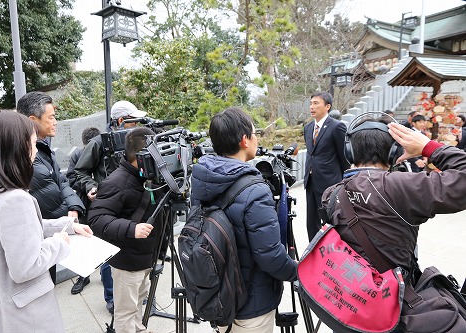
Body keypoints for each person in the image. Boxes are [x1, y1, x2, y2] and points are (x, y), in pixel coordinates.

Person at [321, 117, 466, 331]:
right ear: (394, 152)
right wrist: (427, 147)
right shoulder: (402, 187)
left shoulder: (331, 194)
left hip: (352, 306)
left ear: (349, 152)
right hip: (395, 308)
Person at [0, 110, 92, 333]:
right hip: (26, 317)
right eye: (32, 144)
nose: (35, 151)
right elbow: (26, 267)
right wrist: (60, 242)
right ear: (14, 149)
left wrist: (67, 226)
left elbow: (15, 233)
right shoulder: (15, 200)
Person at [190, 107, 298, 332]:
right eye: (254, 133)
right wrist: (298, 272)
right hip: (251, 303)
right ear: (244, 140)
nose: (257, 138)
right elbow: (270, 255)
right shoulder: (256, 190)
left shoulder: (202, 178)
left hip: (221, 292)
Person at [87, 127, 164, 333]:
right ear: (141, 157)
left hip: (144, 257)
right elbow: (96, 220)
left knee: (138, 304)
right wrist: (132, 228)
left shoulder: (148, 177)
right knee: (126, 312)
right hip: (127, 261)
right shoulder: (116, 182)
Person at [74, 100, 147, 313]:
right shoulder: (98, 142)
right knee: (108, 254)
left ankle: (134, 300)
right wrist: (91, 186)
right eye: (134, 121)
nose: (138, 124)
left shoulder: (137, 140)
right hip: (108, 205)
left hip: (133, 205)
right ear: (122, 121)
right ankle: (111, 298)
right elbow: (80, 171)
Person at [17, 91, 85, 283]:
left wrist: (73, 207)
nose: (55, 122)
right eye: (52, 117)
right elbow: (45, 197)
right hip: (42, 239)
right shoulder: (24, 154)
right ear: (33, 120)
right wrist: (67, 223)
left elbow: (61, 180)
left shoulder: (44, 148)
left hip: (54, 230)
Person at [303, 92, 350, 241]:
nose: (312, 107)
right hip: (310, 181)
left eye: (316, 103)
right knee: (311, 223)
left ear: (327, 106)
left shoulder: (337, 127)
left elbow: (344, 158)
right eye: (311, 103)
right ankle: (313, 254)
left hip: (330, 184)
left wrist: (343, 182)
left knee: (331, 222)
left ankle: (332, 255)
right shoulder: (308, 128)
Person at [66, 127, 101, 295]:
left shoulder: (105, 151)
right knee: (85, 239)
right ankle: (83, 275)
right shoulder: (77, 156)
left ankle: (106, 273)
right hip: (85, 202)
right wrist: (87, 187)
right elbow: (72, 178)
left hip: (104, 202)